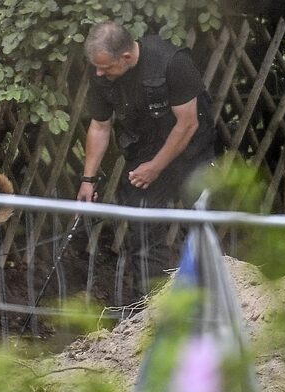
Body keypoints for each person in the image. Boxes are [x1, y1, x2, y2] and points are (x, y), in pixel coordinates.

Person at [76, 21, 217, 298]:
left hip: (192, 155)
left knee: (201, 227)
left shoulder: (172, 63)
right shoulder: (102, 74)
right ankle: (151, 307)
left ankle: (210, 302)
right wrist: (87, 180)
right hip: (143, 156)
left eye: (106, 67)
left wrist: (156, 167)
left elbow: (187, 125)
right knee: (142, 231)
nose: (99, 73)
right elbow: (100, 126)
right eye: (97, 67)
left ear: (126, 57)